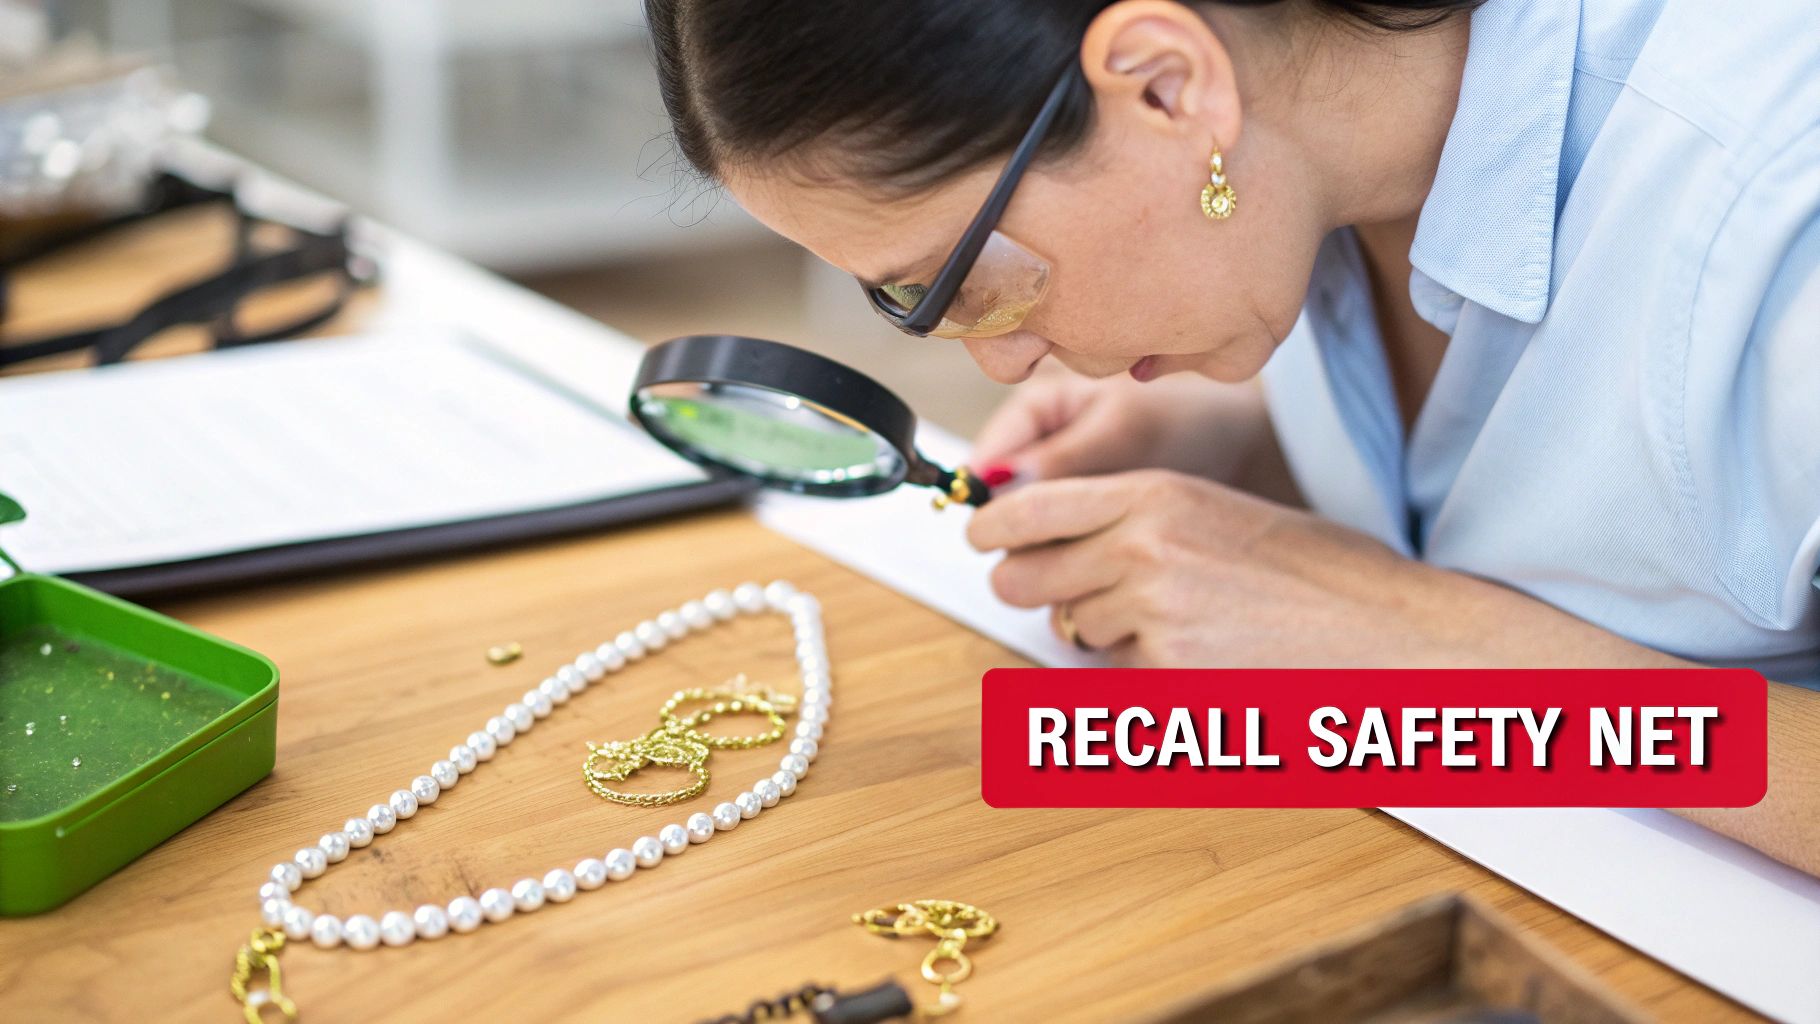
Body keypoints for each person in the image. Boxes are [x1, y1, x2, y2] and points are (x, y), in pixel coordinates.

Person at [641, 0, 1819, 875]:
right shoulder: (1283, 168)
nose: (998, 359)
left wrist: (1418, 648)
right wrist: (1243, 431)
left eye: (964, 282)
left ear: (1163, 83)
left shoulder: (1779, 200)